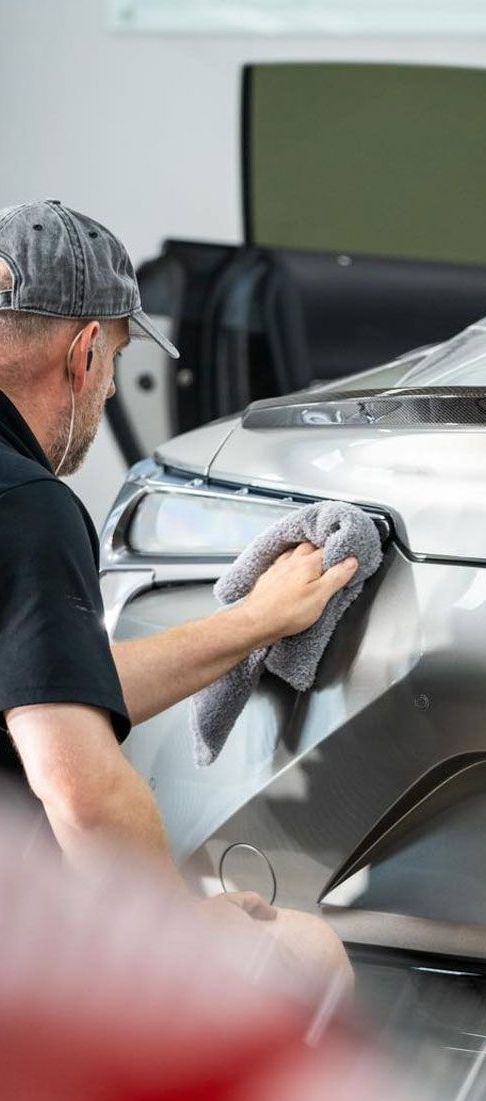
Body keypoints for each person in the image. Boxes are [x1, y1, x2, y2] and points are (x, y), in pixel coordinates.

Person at [0, 200, 356, 965]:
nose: (113, 392)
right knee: (302, 955)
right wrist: (178, 938)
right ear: (85, 350)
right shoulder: (25, 507)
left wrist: (255, 620)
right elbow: (84, 794)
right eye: (121, 361)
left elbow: (53, 687)